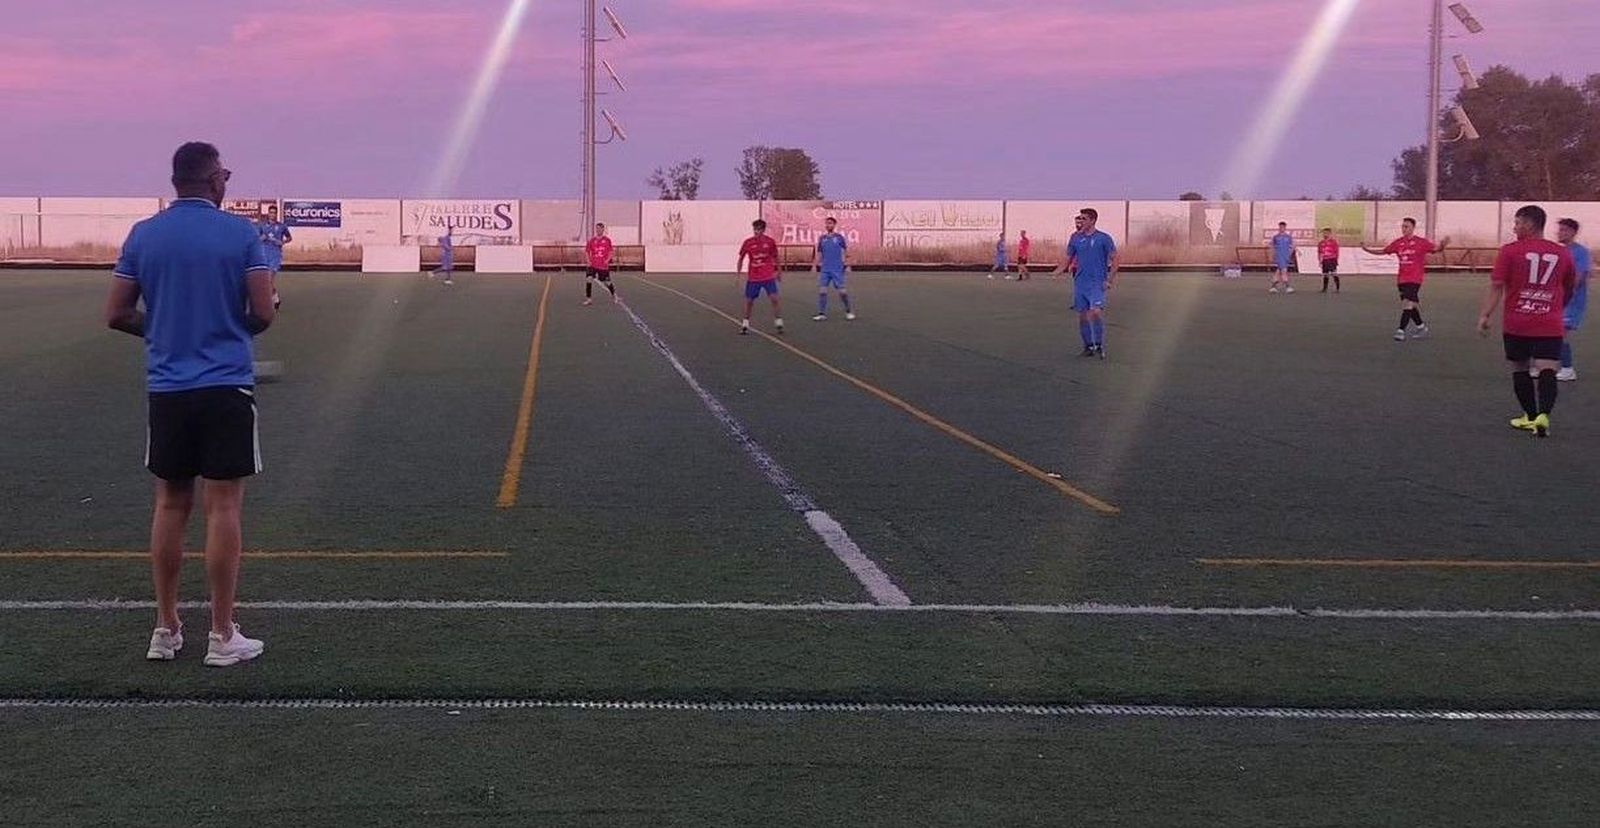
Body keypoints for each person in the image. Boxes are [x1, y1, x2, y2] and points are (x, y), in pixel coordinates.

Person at [104, 141, 274, 667]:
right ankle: (222, 635)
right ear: (211, 180)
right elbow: (264, 313)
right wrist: (223, 329)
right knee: (223, 506)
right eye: (224, 173)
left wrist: (167, 330)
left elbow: (116, 313)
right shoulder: (241, 234)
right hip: (225, 385)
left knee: (170, 504)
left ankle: (165, 627)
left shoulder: (144, 234)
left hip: (168, 388)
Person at [1477, 205, 1576, 438]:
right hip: (1549, 322)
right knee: (1547, 369)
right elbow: (1569, 286)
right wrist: (1556, 307)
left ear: (1530, 224)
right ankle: (1544, 415)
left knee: (1520, 368)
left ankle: (1530, 417)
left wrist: (1485, 315)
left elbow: (1496, 287)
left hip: (1517, 321)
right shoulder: (1562, 253)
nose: (1515, 227)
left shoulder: (1510, 251)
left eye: (1518, 223)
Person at [1367, 218, 1449, 341]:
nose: (1404, 229)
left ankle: (1400, 331)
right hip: (1402, 279)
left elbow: (1437, 249)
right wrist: (1366, 250)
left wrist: (1442, 245)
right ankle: (1421, 327)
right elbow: (1383, 251)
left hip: (1415, 278)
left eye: (1407, 226)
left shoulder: (1421, 242)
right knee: (1411, 305)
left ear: (1413, 228)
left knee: (1407, 303)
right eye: (1403, 226)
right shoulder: (1398, 243)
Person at [1053, 208, 1118, 359]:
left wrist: (1109, 280)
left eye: (1083, 218)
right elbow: (1068, 257)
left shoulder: (1104, 238)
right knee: (1082, 315)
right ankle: (1088, 346)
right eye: (1080, 218)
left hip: (1097, 282)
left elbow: (1116, 259)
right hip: (1080, 282)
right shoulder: (1075, 237)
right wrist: (1058, 270)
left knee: (1095, 312)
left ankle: (1099, 345)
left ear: (1093, 220)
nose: (1080, 221)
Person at [1557, 218, 1591, 381]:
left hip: (1572, 301)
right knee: (1547, 331)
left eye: (1563, 229)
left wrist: (1566, 294)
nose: (1559, 232)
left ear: (1572, 232)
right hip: (1556, 299)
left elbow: (1580, 276)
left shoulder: (1581, 252)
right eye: (1559, 229)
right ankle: (1542, 367)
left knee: (1561, 332)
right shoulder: (1559, 251)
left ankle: (1567, 368)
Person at [737, 218, 783, 335]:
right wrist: (738, 274)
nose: (756, 232)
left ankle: (779, 323)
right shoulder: (748, 242)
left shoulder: (770, 242)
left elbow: (776, 257)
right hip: (753, 277)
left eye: (758, 229)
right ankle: (745, 324)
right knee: (749, 301)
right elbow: (741, 258)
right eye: (754, 229)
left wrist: (779, 271)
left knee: (774, 299)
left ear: (763, 230)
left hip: (768, 276)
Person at [811, 216, 855, 321]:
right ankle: (822, 314)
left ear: (834, 225)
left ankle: (848, 311)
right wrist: (814, 265)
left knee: (842, 292)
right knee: (822, 291)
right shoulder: (822, 238)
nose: (828, 225)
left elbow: (845, 252)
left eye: (830, 223)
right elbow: (819, 253)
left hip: (837, 268)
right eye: (827, 223)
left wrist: (848, 265)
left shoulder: (839, 237)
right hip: (825, 269)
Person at [583, 222, 619, 306]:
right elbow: (587, 252)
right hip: (593, 265)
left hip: (603, 266)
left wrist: (607, 260)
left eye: (600, 228)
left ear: (603, 229)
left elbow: (611, 252)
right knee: (589, 279)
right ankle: (589, 299)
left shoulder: (607, 240)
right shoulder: (592, 240)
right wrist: (588, 261)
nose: (598, 230)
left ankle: (614, 295)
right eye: (597, 228)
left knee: (607, 282)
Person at [1268, 222, 1296, 293]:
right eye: (1280, 227)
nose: (1282, 228)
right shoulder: (1276, 237)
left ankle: (1273, 287)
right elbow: (1272, 246)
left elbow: (1293, 246)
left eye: (1283, 227)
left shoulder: (1288, 237)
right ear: (1279, 227)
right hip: (1279, 256)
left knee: (1278, 271)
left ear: (1285, 228)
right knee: (1284, 271)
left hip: (1285, 257)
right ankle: (1288, 287)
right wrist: (1272, 255)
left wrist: (1289, 253)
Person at [1317, 227, 1341, 293]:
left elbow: (1337, 252)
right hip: (1324, 260)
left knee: (1334, 273)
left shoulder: (1333, 242)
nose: (1325, 235)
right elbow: (1319, 252)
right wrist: (1320, 261)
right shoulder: (1321, 243)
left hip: (1332, 259)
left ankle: (1337, 288)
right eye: (1324, 233)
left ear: (1330, 234)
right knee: (1325, 274)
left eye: (1327, 233)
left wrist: (1335, 260)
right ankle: (1324, 288)